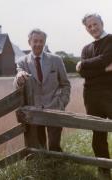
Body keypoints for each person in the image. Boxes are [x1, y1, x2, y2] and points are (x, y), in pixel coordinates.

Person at [13, 28, 70, 151]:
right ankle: (44, 169)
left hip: (55, 109)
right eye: (35, 41)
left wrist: (62, 102)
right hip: (34, 111)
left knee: (55, 146)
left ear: (45, 42)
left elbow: (65, 84)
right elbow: (17, 86)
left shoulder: (56, 60)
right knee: (39, 147)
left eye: (41, 41)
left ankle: (56, 168)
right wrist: (19, 78)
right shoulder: (22, 62)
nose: (38, 44)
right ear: (29, 42)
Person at [76, 13, 112, 179]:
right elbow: (83, 74)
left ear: (102, 23)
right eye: (89, 26)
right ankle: (104, 169)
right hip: (90, 96)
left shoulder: (110, 40)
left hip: (109, 93)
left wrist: (83, 63)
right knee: (98, 133)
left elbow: (105, 58)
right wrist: (104, 70)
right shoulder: (86, 48)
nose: (93, 28)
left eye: (95, 24)